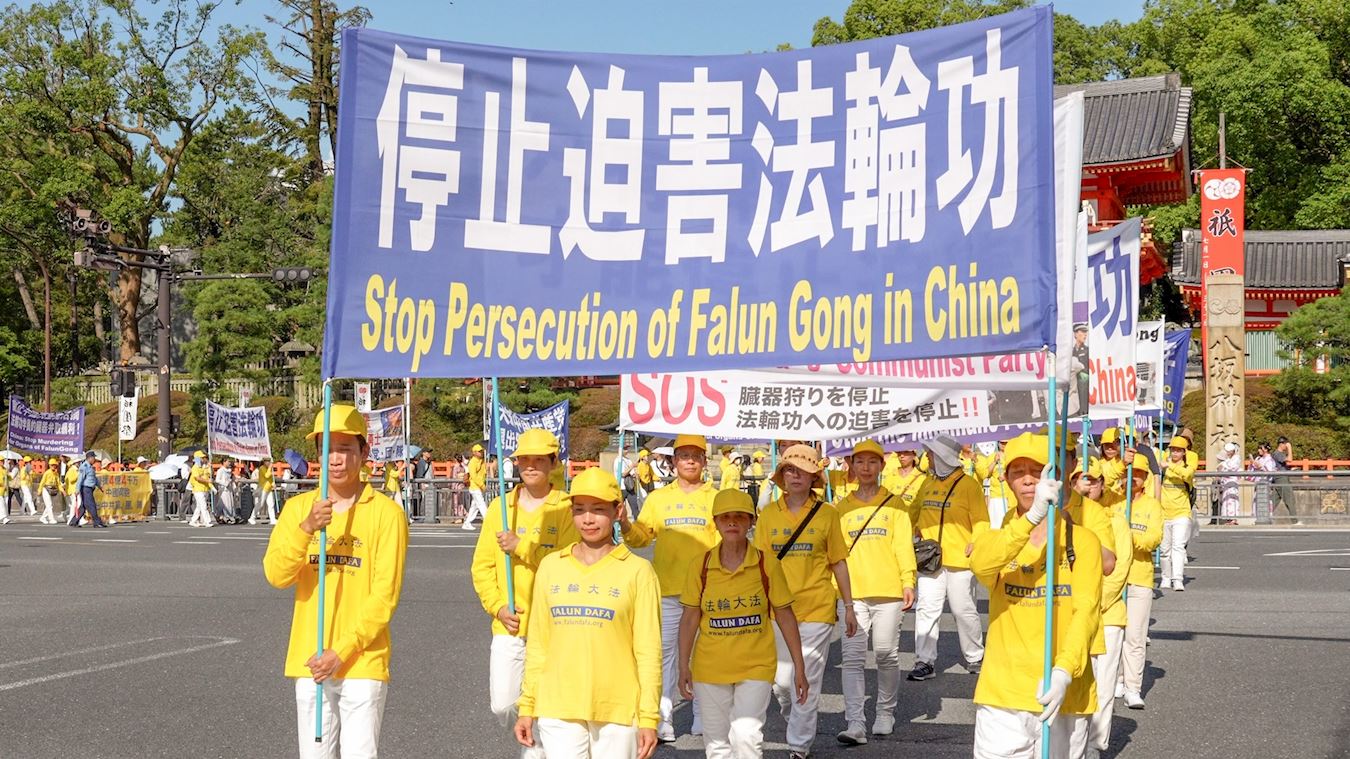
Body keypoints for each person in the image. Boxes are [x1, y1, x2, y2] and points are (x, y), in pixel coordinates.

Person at [263, 404, 409, 759]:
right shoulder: (298, 509)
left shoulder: (387, 514)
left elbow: (384, 597)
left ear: (364, 452)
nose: (336, 459)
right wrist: (307, 529)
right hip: (310, 659)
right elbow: (276, 575)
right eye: (327, 449)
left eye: (345, 448)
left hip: (362, 660)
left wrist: (341, 651)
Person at [969, 432, 1102, 759]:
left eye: (1037, 470)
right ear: (1006, 479)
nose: (1028, 480)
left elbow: (1086, 611)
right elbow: (982, 565)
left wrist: (1064, 670)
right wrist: (1031, 519)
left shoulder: (1083, 541)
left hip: (1064, 693)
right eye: (1018, 472)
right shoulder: (995, 539)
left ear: (1056, 475)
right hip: (1003, 694)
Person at [514, 468, 661, 759]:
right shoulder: (551, 566)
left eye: (598, 509)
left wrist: (649, 716)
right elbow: (539, 644)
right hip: (557, 704)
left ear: (618, 511)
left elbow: (648, 651)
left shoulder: (639, 571)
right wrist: (527, 706)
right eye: (579, 509)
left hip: (618, 708)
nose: (588, 519)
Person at [676, 488, 807, 759]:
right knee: (717, 744)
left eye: (740, 516)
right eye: (725, 517)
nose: (732, 522)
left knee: (747, 737)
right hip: (710, 668)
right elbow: (689, 618)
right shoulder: (700, 566)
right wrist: (683, 665)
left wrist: (799, 667)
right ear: (715, 522)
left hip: (756, 665)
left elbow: (785, 615)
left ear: (751, 521)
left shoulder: (766, 564)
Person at [472, 428, 577, 759]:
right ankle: (534, 738)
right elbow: (482, 567)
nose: (530, 466)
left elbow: (569, 564)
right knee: (503, 703)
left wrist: (522, 547)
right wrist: (498, 607)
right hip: (511, 624)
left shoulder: (567, 508)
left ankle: (537, 750)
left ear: (553, 463)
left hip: (555, 625)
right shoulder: (500, 507)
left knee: (548, 702)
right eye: (524, 460)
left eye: (539, 460)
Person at [754, 444, 858, 759]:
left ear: (814, 476)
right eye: (790, 469)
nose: (796, 475)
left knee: (807, 678)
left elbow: (838, 561)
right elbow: (759, 565)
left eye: (803, 470)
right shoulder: (768, 514)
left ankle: (798, 746)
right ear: (781, 475)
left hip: (817, 607)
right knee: (782, 683)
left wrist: (849, 606)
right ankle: (796, 721)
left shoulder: (828, 514)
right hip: (778, 610)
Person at [618, 434, 719, 743]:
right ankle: (663, 719)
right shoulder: (658, 499)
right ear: (674, 461)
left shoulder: (716, 498)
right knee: (664, 656)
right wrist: (625, 524)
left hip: (706, 590)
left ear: (704, 461)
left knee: (704, 655)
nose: (690, 461)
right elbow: (641, 538)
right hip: (668, 590)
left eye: (696, 456)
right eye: (684, 455)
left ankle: (703, 715)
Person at [834, 439, 917, 745]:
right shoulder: (841, 508)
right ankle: (855, 722)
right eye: (860, 461)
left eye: (872, 462)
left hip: (888, 592)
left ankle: (885, 712)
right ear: (851, 465)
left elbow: (903, 546)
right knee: (852, 659)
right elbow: (836, 555)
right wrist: (838, 593)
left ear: (882, 466)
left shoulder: (895, 504)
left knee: (886, 654)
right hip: (853, 595)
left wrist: (908, 581)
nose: (866, 468)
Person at [910, 435, 987, 681]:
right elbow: (913, 512)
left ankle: (975, 656)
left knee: (963, 609)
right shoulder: (927, 483)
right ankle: (924, 661)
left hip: (960, 560)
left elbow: (981, 520)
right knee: (927, 609)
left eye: (930, 454)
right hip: (930, 559)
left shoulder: (969, 485)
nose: (927, 457)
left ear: (942, 457)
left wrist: (977, 542)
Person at [1082, 463, 1133, 759]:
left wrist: (1093, 603)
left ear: (1103, 483)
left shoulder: (1116, 521)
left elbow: (1119, 569)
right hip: (1073, 614)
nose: (1087, 486)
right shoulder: (1066, 518)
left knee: (1103, 683)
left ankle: (1095, 743)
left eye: (1092, 480)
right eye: (1080, 480)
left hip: (1107, 614)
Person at [1117, 453, 1163, 710]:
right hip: (1113, 579)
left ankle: (1133, 688)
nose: (1133, 479)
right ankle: (1116, 679)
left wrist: (1128, 537)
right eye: (1129, 474)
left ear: (1145, 478)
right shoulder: (1112, 502)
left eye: (1138, 475)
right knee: (1113, 636)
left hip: (1139, 578)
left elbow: (1153, 540)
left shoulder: (1152, 506)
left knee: (1135, 636)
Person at [1159, 437, 1197, 591]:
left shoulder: (1187, 466)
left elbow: (1187, 475)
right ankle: (1166, 577)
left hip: (1181, 512)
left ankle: (1177, 579)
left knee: (1178, 547)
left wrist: (1170, 465)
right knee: (1164, 550)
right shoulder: (1162, 467)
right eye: (1172, 450)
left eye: (1178, 450)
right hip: (1163, 512)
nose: (1175, 453)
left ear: (1184, 452)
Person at [70, 450, 108, 528]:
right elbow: (80, 479)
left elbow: (94, 478)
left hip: (89, 489)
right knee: (91, 505)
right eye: (93, 458)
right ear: (89, 458)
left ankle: (74, 522)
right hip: (85, 489)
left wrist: (100, 486)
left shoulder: (90, 467)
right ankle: (97, 522)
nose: (94, 459)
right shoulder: (84, 467)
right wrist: (77, 490)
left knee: (83, 507)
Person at [463, 444, 489, 530]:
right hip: (475, 487)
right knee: (481, 504)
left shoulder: (481, 461)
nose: (481, 453)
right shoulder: (472, 462)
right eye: (479, 451)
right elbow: (474, 476)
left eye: (481, 451)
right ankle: (488, 521)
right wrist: (482, 485)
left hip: (479, 487)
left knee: (474, 507)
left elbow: (483, 473)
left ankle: (467, 523)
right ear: (474, 452)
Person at [187, 451, 216, 528]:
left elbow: (210, 475)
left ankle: (193, 521)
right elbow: (198, 478)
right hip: (198, 490)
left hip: (205, 489)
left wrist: (210, 467)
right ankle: (207, 521)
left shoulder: (204, 467)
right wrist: (207, 481)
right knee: (203, 506)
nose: (204, 459)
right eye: (202, 458)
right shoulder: (195, 467)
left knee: (199, 507)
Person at [1217, 442, 1243, 522]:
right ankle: (1228, 518)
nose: (1227, 452)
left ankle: (1233, 519)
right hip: (1226, 483)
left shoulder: (1236, 458)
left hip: (1232, 481)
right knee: (1226, 499)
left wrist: (1224, 466)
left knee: (1232, 499)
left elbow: (1232, 467)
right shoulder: (1228, 459)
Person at [1096, 428, 1126, 496]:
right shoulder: (1098, 464)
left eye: (1113, 444)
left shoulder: (1128, 462)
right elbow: (1104, 479)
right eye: (1106, 444)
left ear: (1120, 444)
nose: (1110, 448)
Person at [250, 456, 278, 525]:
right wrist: (270, 468)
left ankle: (272, 519)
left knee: (271, 504)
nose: (268, 463)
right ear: (264, 462)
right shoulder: (262, 468)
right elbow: (267, 475)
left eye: (269, 461)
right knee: (260, 504)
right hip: (263, 488)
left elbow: (270, 479)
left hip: (269, 488)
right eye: (267, 461)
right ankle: (252, 517)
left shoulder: (269, 469)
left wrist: (273, 484)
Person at [38, 458, 61, 525]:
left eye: (54, 465)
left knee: (50, 505)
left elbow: (58, 483)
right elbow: (42, 482)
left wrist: (61, 490)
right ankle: (51, 519)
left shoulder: (56, 473)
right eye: (52, 465)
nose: (53, 466)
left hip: (53, 490)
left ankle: (43, 517)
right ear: (49, 465)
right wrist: (39, 491)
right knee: (49, 505)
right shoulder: (47, 473)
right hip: (46, 489)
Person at [215, 459, 237, 524]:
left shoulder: (229, 471)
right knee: (226, 503)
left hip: (229, 489)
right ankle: (228, 517)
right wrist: (225, 483)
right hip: (223, 489)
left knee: (223, 504)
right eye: (228, 461)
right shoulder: (220, 470)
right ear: (224, 462)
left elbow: (231, 479)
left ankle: (218, 515)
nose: (229, 463)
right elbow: (217, 480)